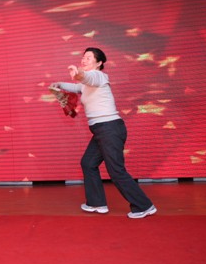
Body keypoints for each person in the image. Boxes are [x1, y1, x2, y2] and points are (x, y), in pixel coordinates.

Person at [52, 47, 157, 219]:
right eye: (83, 57)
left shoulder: (99, 76)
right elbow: (77, 87)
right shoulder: (86, 84)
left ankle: (144, 206)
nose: (84, 60)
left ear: (99, 63)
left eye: (88, 58)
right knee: (88, 163)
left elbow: (86, 77)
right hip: (101, 131)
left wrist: (78, 73)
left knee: (116, 171)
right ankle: (96, 203)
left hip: (109, 129)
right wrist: (59, 85)